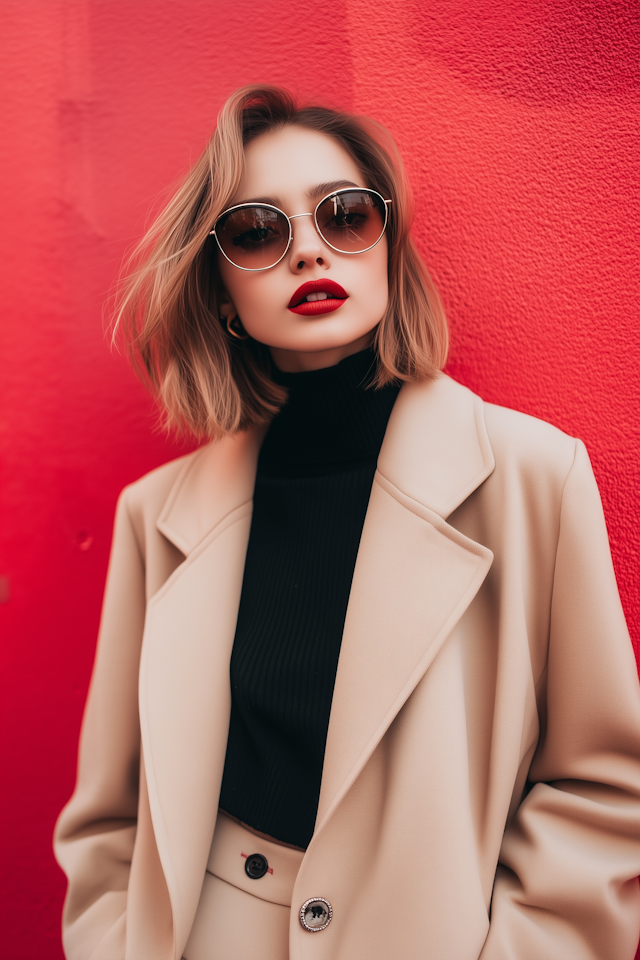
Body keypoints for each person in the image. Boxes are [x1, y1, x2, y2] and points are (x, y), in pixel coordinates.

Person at [54, 85, 640, 960]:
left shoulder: (531, 475)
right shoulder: (157, 517)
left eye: (345, 216)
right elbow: (109, 818)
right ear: (218, 288)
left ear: (389, 248)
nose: (307, 252)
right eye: (257, 230)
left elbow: (602, 787)